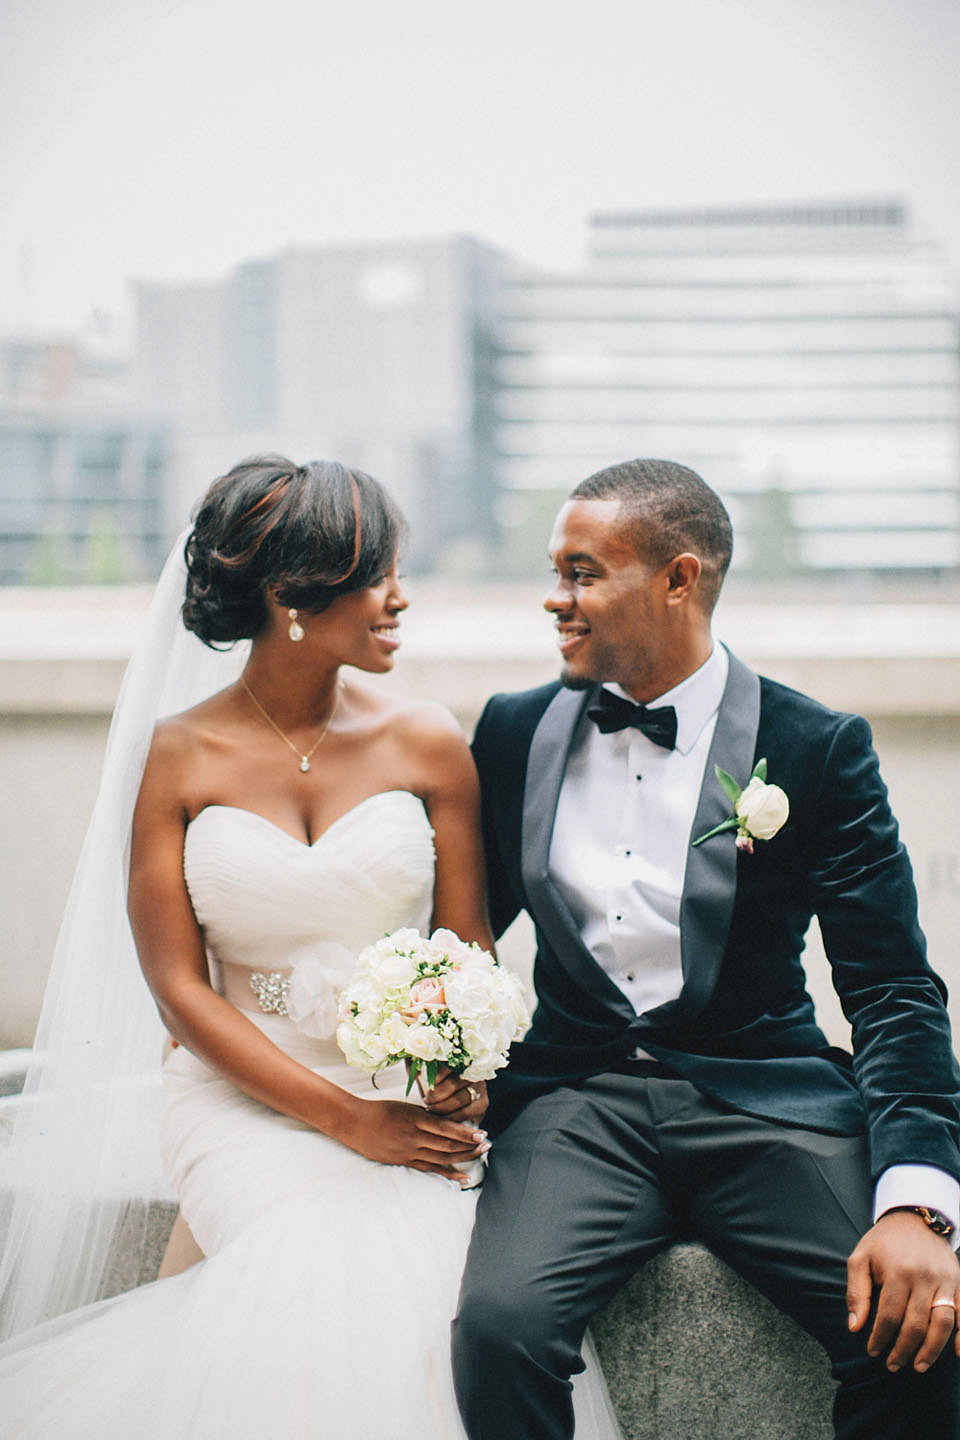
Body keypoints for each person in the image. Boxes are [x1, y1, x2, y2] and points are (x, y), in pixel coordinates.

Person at [0, 456, 621, 1439]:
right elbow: (176, 989)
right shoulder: (179, 754)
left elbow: (467, 950)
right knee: (316, 1267)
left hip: (397, 1091)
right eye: (379, 576)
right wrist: (343, 1120)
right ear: (292, 597)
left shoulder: (427, 744)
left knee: (443, 1279)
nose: (399, 600)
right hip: (239, 1095)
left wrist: (457, 1074)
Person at [453, 458, 960, 1440]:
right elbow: (459, 939)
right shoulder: (515, 731)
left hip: (765, 1100)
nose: (554, 600)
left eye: (583, 572)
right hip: (574, 1105)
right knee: (499, 1328)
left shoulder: (815, 747)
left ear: (680, 579)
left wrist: (918, 1204)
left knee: (922, 1328)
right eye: (556, 572)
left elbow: (894, 990)